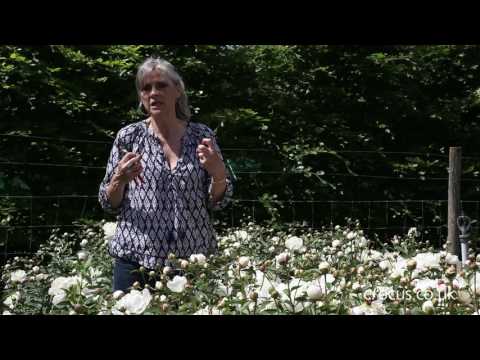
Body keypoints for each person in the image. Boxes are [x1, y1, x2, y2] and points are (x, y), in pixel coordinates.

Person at [98, 57, 233, 292]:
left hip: (192, 260)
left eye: (161, 86)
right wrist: (119, 179)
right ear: (140, 96)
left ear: (178, 90)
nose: (153, 93)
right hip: (136, 261)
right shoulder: (128, 138)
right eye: (146, 88)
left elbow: (218, 202)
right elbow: (108, 203)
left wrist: (219, 174)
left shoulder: (201, 136)